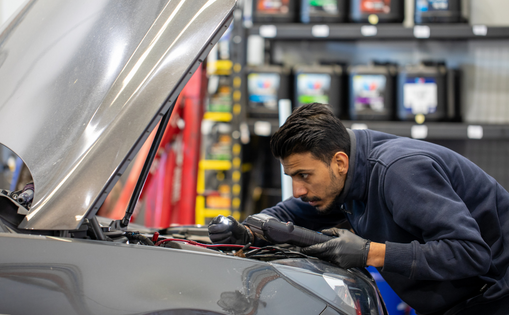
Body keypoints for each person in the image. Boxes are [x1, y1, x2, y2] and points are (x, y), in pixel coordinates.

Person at [208, 103, 509, 315]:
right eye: (292, 177)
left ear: (339, 162)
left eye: (304, 176)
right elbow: (287, 214)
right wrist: (248, 231)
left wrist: (370, 252)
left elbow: (470, 253)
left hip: (496, 297)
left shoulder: (399, 173)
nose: (298, 190)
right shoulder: (341, 179)